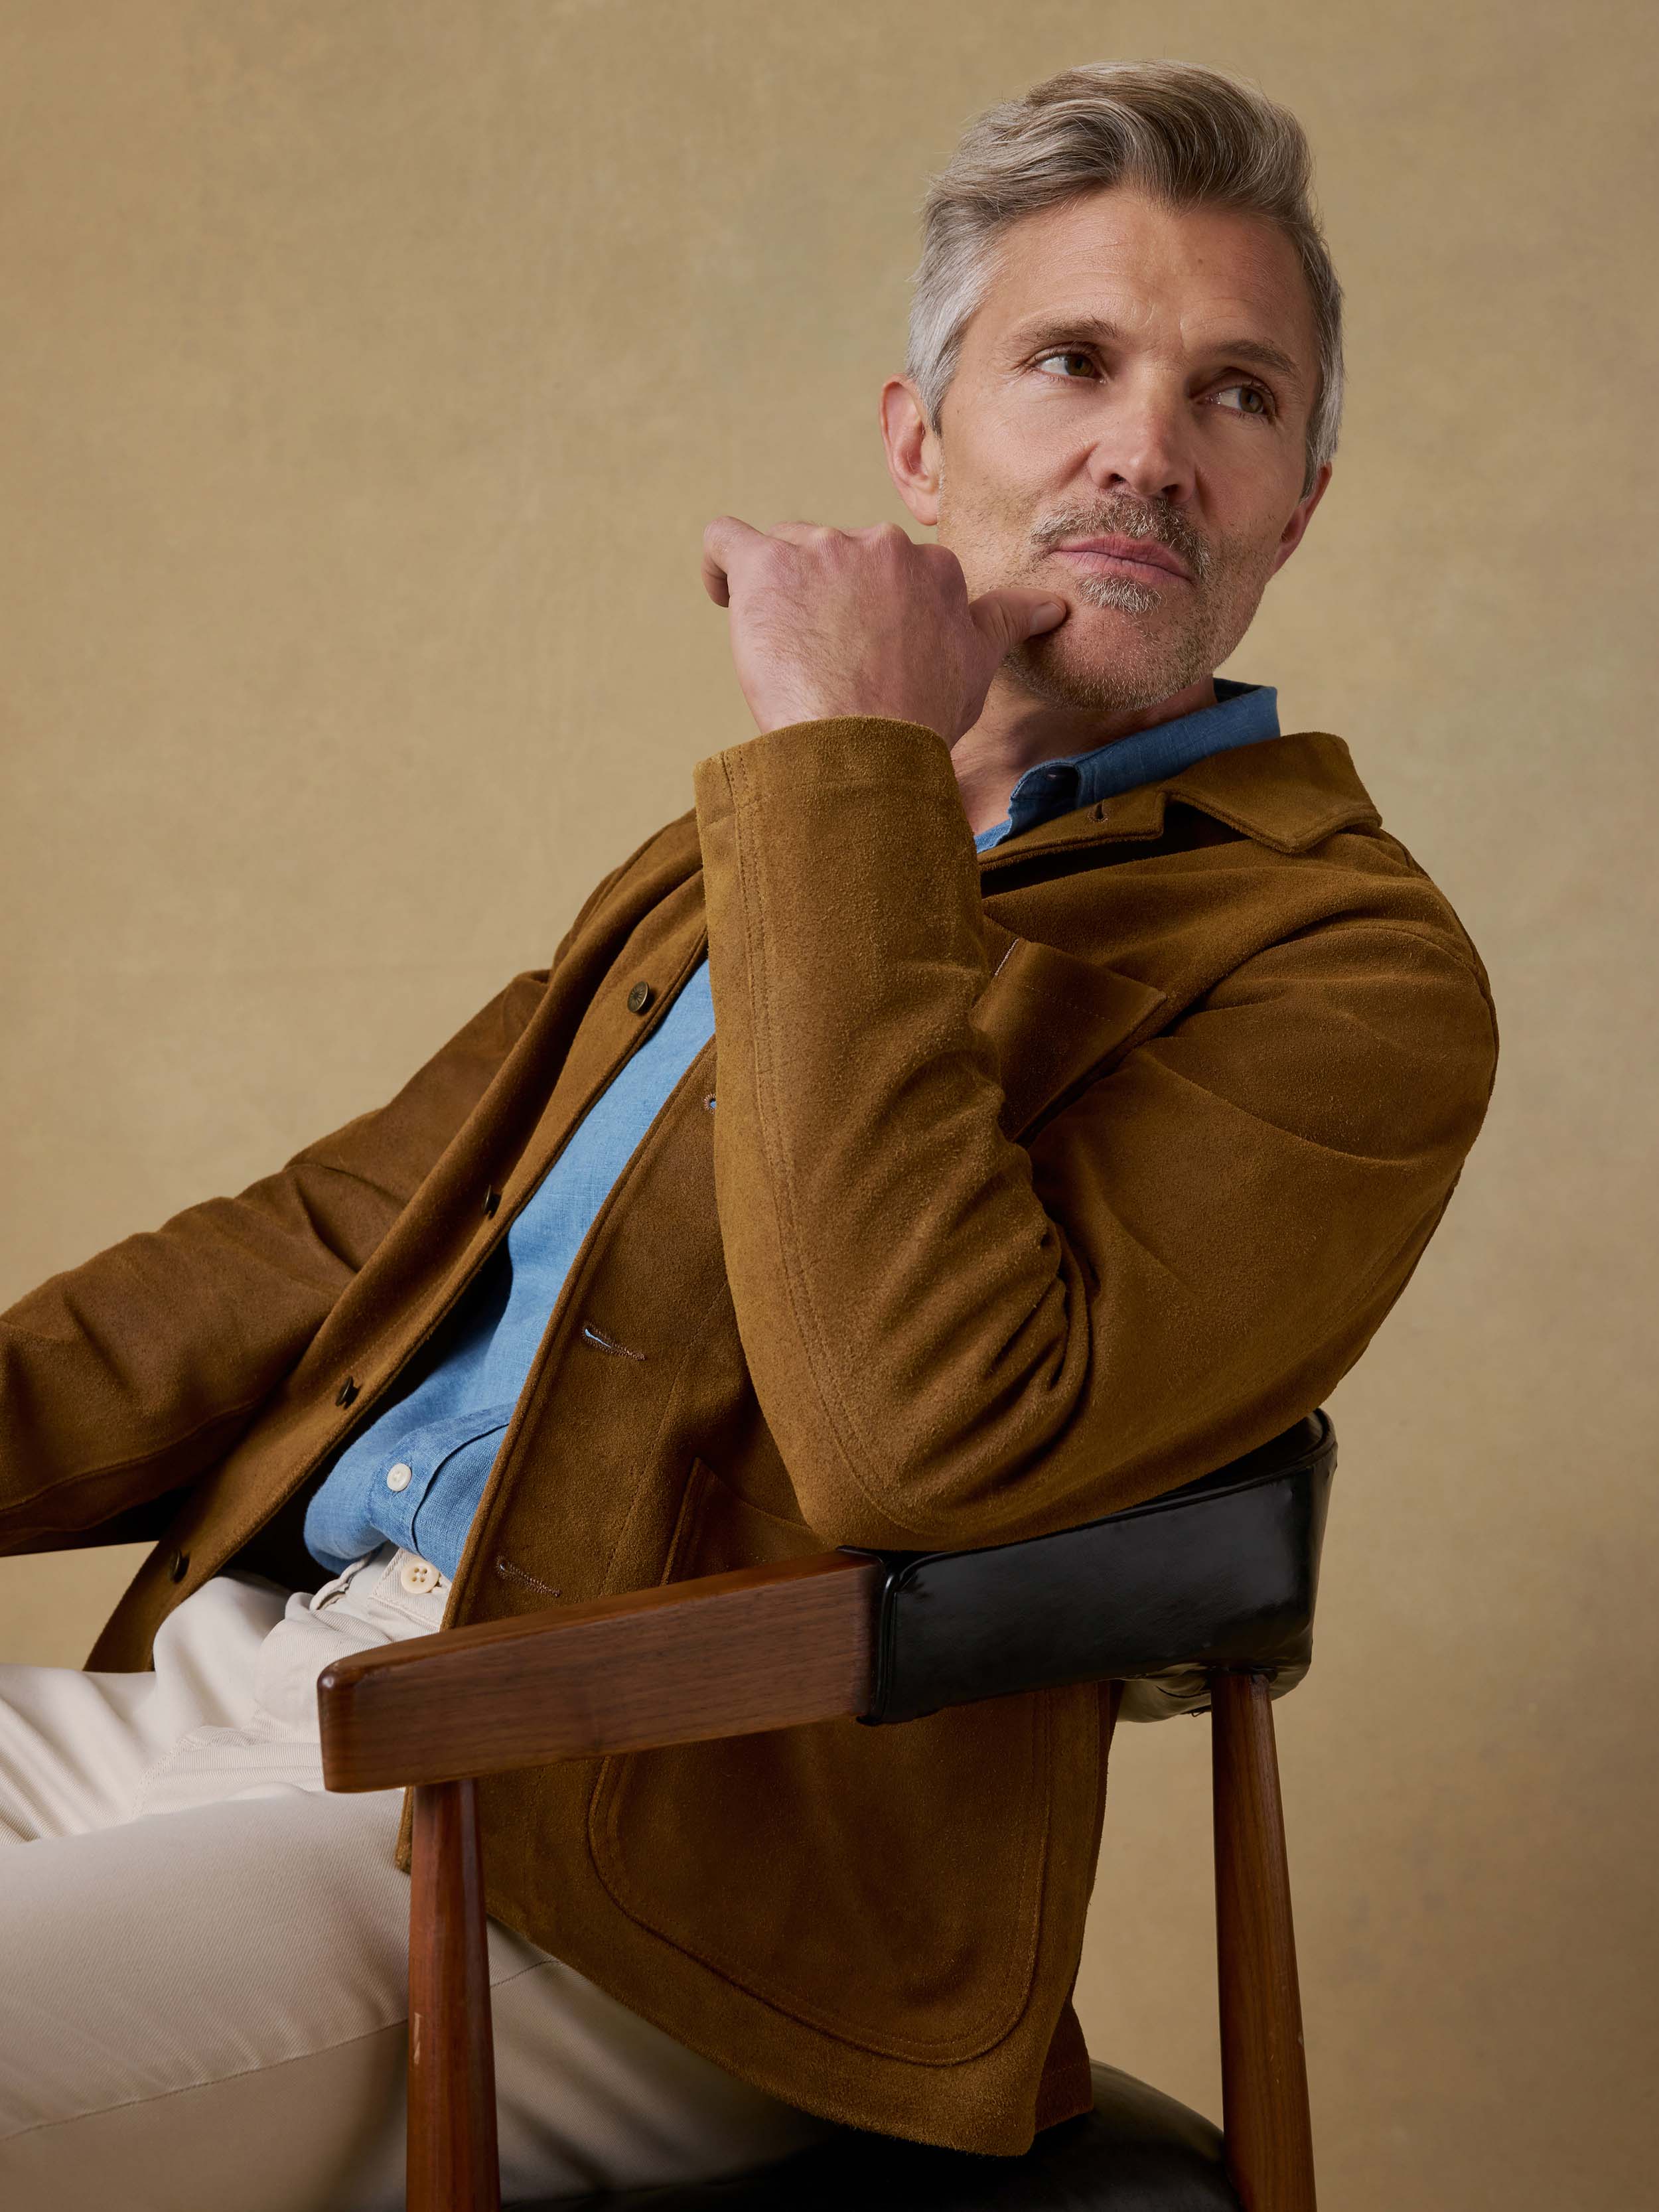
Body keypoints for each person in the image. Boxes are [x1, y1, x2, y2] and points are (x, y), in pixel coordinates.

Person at [0, 59, 1496, 2212]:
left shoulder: (1341, 968)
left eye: (1234, 397)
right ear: (918, 439)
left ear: (1298, 503)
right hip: (273, 1696)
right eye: (1067, 361)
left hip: (618, 1879)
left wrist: (851, 768)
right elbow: (336, 1236)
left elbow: (923, 1442)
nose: (1143, 450)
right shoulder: (752, 851)